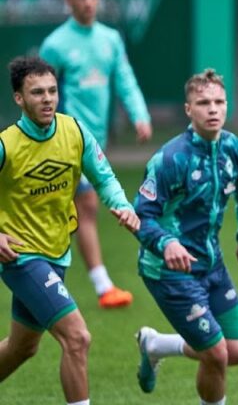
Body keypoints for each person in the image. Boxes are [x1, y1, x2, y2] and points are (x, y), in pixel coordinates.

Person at [0, 56, 139, 405]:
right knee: (77, 338)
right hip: (21, 256)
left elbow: (103, 176)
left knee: (22, 348)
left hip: (57, 252)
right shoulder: (6, 145)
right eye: (37, 92)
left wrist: (122, 204)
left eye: (52, 91)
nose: (47, 99)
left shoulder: (74, 131)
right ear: (19, 98)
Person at [132, 69, 238, 405]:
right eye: (203, 103)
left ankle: (155, 345)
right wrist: (167, 243)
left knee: (236, 351)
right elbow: (140, 216)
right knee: (216, 354)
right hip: (169, 272)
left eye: (219, 101)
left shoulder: (233, 148)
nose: (213, 109)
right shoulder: (170, 159)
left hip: (211, 264)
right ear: (188, 109)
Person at [40, 0, 152, 309]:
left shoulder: (110, 39)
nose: (88, 2)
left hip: (97, 140)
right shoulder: (56, 44)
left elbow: (125, 79)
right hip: (66, 139)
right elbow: (38, 91)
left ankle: (45, 278)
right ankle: (102, 286)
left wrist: (139, 114)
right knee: (86, 205)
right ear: (69, 0)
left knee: (65, 210)